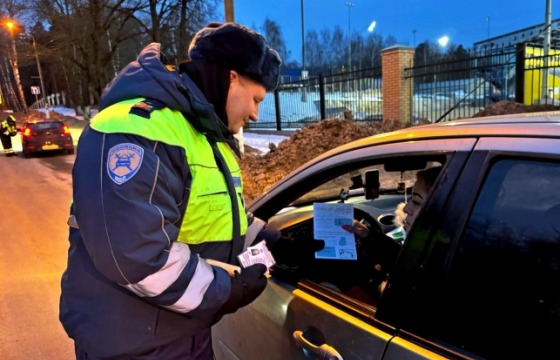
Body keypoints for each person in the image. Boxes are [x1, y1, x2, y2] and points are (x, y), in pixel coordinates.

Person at [59, 22, 319, 360]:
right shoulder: (136, 129)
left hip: (182, 332)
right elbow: (139, 258)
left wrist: (275, 244)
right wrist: (229, 290)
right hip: (132, 344)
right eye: (255, 99)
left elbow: (217, 221)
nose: (255, 113)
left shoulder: (205, 137)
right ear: (230, 78)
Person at [342, 166, 442, 295]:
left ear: (440, 211)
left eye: (416, 202)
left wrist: (378, 285)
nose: (406, 208)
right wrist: (368, 235)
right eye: (411, 199)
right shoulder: (435, 249)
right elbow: (401, 262)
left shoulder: (436, 267)